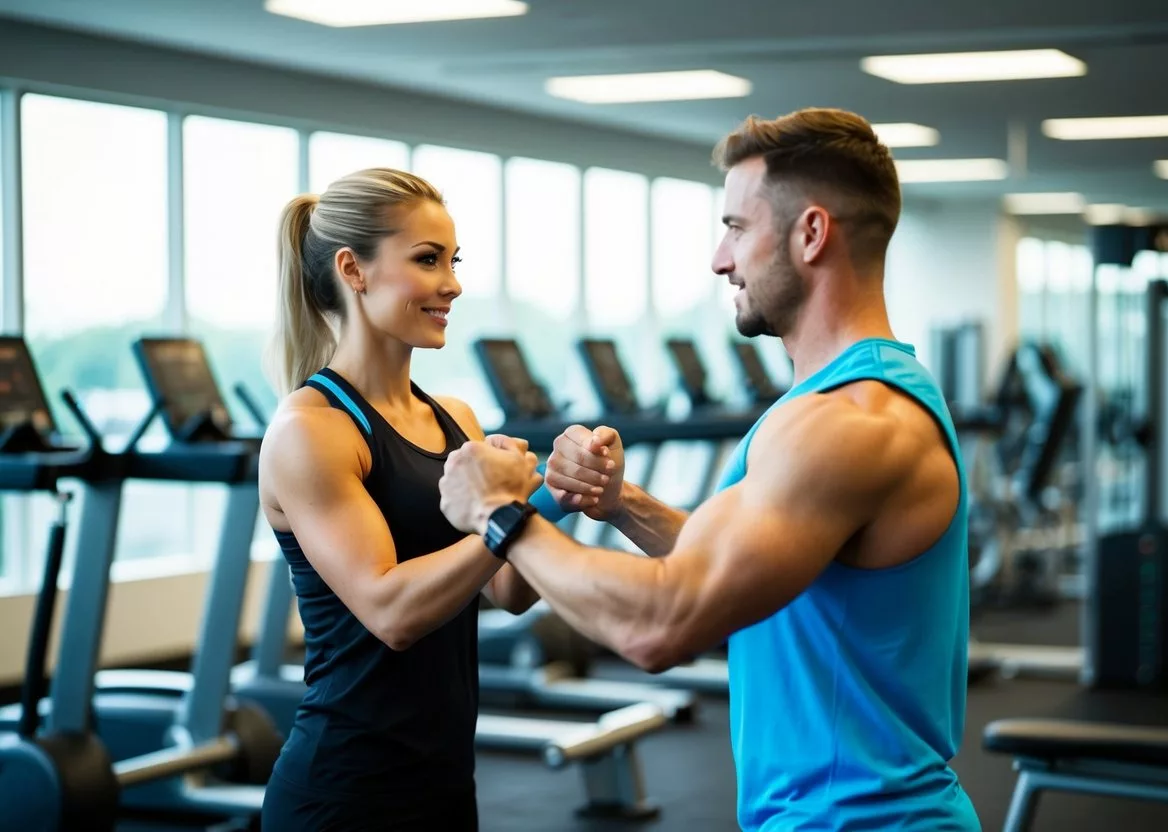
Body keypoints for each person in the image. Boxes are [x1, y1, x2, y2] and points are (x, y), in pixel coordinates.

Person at [437, 109, 981, 831]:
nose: (719, 259)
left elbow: (662, 625)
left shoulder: (848, 424)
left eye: (735, 227)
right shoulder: (840, 401)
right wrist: (619, 502)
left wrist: (497, 513)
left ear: (810, 233)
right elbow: (756, 559)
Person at [256, 167, 545, 831]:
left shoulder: (456, 418)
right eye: (427, 260)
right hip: (343, 792)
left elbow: (511, 594)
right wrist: (511, 513)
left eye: (453, 260)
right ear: (353, 270)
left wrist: (553, 491)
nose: (453, 284)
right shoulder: (313, 430)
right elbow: (390, 611)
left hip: (444, 783)